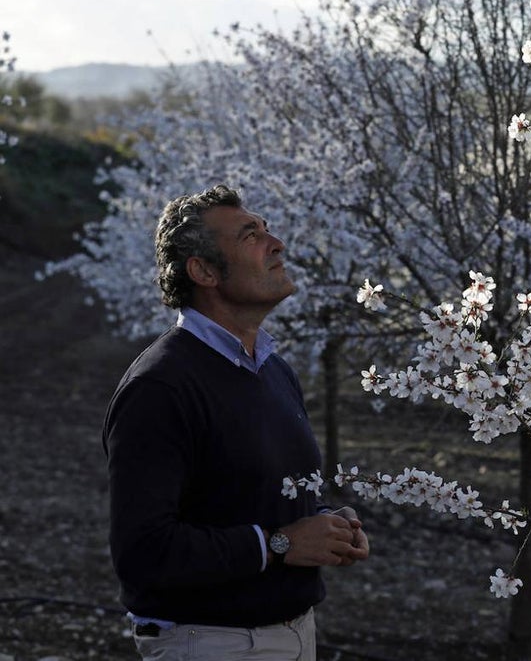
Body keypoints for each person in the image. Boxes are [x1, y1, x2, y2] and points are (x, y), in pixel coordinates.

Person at [103, 184, 369, 661]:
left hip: (294, 634)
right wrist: (282, 543)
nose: (277, 244)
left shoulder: (273, 369)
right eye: (251, 235)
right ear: (204, 271)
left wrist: (324, 524)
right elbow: (143, 553)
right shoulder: (161, 387)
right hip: (213, 643)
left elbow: (250, 492)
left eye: (266, 229)